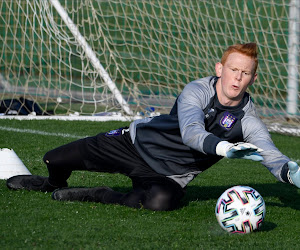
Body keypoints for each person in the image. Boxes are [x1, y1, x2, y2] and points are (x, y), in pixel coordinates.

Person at [6, 43, 300, 211]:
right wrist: (224, 147)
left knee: (161, 202)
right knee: (53, 159)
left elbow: (271, 155)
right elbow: (192, 132)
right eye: (233, 69)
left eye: (245, 72)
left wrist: (292, 174)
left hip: (168, 173)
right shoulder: (196, 91)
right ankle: (51, 183)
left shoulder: (248, 118)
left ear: (253, 78)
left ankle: (99, 193)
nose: (238, 77)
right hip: (132, 144)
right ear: (220, 69)